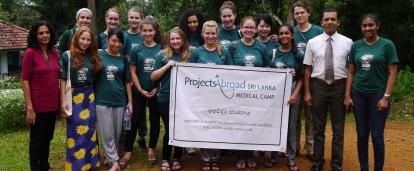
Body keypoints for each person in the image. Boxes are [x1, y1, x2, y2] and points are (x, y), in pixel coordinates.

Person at [344, 14, 398, 171]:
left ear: (377, 25)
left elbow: (392, 72)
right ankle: (364, 168)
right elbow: (351, 71)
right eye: (364, 26)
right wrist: (347, 95)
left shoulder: (387, 45)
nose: (367, 28)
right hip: (358, 94)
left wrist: (386, 97)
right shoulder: (356, 46)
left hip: (378, 95)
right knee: (361, 135)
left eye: (371, 25)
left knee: (377, 136)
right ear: (361, 27)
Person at [303, 8, 353, 171]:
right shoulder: (313, 42)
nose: (330, 22)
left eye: (333, 19)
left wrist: (347, 94)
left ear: (338, 22)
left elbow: (351, 70)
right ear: (321, 22)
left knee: (338, 129)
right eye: (327, 19)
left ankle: (336, 163)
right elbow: (308, 69)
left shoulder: (348, 42)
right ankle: (318, 160)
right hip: (319, 87)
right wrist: (308, 92)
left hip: (339, 87)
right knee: (318, 128)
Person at [227, 16, 270, 170]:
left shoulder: (261, 48)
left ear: (256, 29)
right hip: (237, 93)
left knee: (252, 124)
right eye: (246, 27)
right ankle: (240, 155)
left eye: (252, 28)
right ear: (241, 28)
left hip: (255, 94)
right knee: (238, 124)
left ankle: (250, 154)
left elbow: (268, 70)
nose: (249, 30)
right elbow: (228, 71)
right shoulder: (232, 46)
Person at [189, 20, 232, 171]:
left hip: (219, 98)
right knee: (204, 128)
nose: (210, 36)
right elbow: (189, 75)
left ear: (217, 34)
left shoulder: (224, 52)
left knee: (217, 128)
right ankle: (206, 158)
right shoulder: (196, 52)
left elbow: (232, 74)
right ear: (202, 34)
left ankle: (215, 157)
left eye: (213, 33)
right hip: (201, 98)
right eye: (207, 33)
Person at [120, 18, 163, 168]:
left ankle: (151, 149)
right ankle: (128, 150)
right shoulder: (136, 49)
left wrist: (156, 88)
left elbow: (164, 72)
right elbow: (132, 72)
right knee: (134, 119)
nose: (147, 33)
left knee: (154, 119)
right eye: (144, 30)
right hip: (139, 90)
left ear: (155, 31)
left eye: (150, 30)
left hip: (156, 90)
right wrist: (140, 90)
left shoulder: (161, 48)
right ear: (140, 31)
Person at [60, 26, 102, 171]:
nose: (85, 42)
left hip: (89, 95)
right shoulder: (67, 56)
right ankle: (76, 166)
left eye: (88, 39)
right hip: (74, 96)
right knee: (75, 131)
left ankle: (91, 163)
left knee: (90, 130)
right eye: (82, 38)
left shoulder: (93, 56)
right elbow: (63, 79)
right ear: (76, 39)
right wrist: (63, 101)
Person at [151, 27, 191, 171]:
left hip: (184, 98)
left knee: (179, 128)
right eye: (172, 39)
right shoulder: (161, 55)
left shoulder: (189, 55)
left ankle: (177, 158)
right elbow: (153, 76)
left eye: (178, 38)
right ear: (169, 41)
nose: (175, 41)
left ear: (183, 40)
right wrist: (167, 65)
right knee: (170, 128)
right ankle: (166, 158)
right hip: (165, 97)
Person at [22, 20, 59, 171]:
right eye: (41, 33)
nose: (44, 35)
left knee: (48, 138)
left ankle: (44, 166)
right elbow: (25, 81)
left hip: (52, 105)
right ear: (35, 36)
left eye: (47, 32)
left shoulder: (54, 53)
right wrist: (30, 108)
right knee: (36, 141)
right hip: (37, 107)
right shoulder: (30, 53)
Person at [264, 24, 302, 171]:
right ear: (278, 36)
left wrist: (294, 95)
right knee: (275, 126)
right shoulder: (273, 53)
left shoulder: (297, 55)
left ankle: (291, 158)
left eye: (287, 33)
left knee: (291, 127)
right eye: (281, 34)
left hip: (293, 93)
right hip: (275, 94)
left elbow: (301, 78)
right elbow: (267, 73)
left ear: (292, 35)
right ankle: (273, 157)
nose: (284, 36)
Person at [95, 28, 133, 171]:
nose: (116, 44)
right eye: (114, 41)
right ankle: (115, 162)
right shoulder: (99, 55)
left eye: (119, 42)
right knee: (107, 133)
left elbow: (127, 82)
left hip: (120, 100)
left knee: (117, 133)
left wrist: (130, 102)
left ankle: (109, 158)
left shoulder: (124, 59)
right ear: (108, 40)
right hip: (102, 100)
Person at [290, 0, 324, 158]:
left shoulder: (318, 30)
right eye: (296, 13)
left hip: (314, 78)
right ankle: (294, 145)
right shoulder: (292, 32)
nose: (299, 15)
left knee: (311, 114)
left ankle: (310, 147)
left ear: (308, 13)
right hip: (296, 78)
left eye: (302, 12)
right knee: (294, 115)